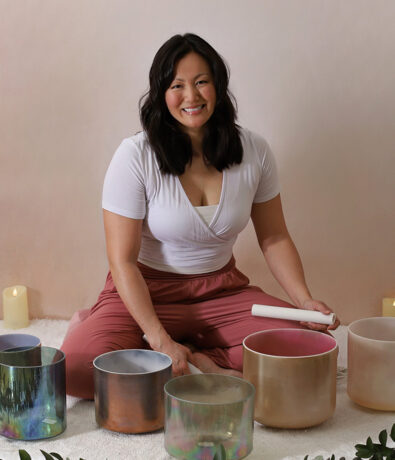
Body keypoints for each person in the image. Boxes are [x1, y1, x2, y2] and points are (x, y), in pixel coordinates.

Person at [61, 33, 339, 399]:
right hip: (147, 292)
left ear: (218, 87)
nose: (191, 97)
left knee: (308, 346)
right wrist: (160, 340)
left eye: (201, 82)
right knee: (75, 371)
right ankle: (126, 334)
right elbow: (122, 261)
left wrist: (304, 302)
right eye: (177, 85)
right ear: (161, 93)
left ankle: (197, 355)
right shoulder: (135, 156)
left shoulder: (254, 151)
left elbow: (274, 238)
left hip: (221, 292)